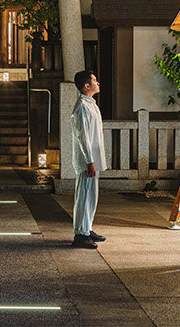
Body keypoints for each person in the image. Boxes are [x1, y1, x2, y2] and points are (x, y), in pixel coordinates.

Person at [70, 69, 106, 248]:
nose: (97, 83)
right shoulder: (82, 107)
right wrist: (89, 160)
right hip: (87, 160)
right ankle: (81, 234)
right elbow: (83, 136)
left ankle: (87, 228)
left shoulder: (90, 104)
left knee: (91, 195)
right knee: (84, 195)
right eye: (94, 80)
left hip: (93, 158)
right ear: (86, 86)